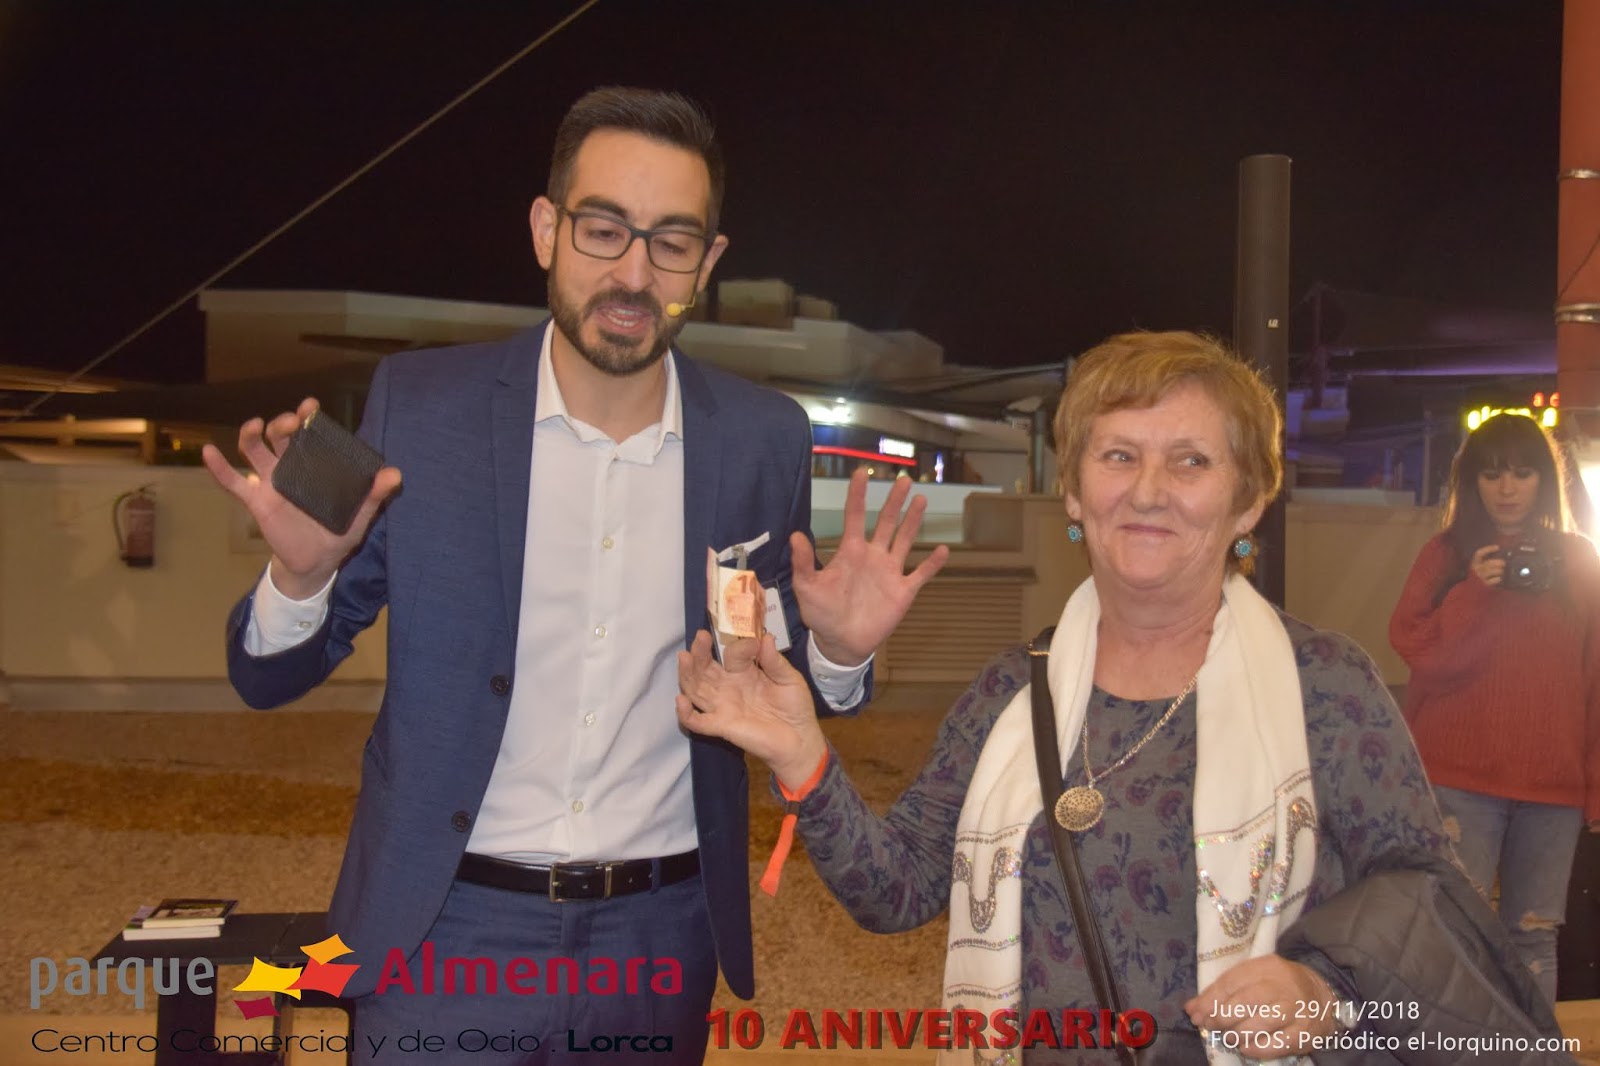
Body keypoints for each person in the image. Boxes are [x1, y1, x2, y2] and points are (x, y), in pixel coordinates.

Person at [201, 86, 947, 1064]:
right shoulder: (418, 407)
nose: (635, 273)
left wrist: (838, 655)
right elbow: (265, 680)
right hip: (441, 926)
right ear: (546, 230)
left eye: (672, 242)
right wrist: (299, 582)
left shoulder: (761, 438)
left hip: (659, 935)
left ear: (708, 262)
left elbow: (772, 663)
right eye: (603, 230)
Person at [678, 331, 1562, 1064]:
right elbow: (897, 891)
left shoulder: (1323, 684)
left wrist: (1322, 988)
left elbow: (1425, 899)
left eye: (1190, 461)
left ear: (1249, 500)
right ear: (1074, 491)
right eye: (1118, 456)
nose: (1147, 491)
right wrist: (803, 755)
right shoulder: (1012, 690)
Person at [1390, 411, 1600, 1004]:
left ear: (1544, 481)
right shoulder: (1446, 555)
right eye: (1492, 474)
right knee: (1458, 933)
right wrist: (1473, 591)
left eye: (1523, 473)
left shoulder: (1580, 561)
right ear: (1471, 481)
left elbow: (1595, 683)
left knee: (1534, 936)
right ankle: (1460, 1048)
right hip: (1459, 782)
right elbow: (1420, 653)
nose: (1507, 489)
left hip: (1553, 788)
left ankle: (1531, 1048)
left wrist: (1594, 784)